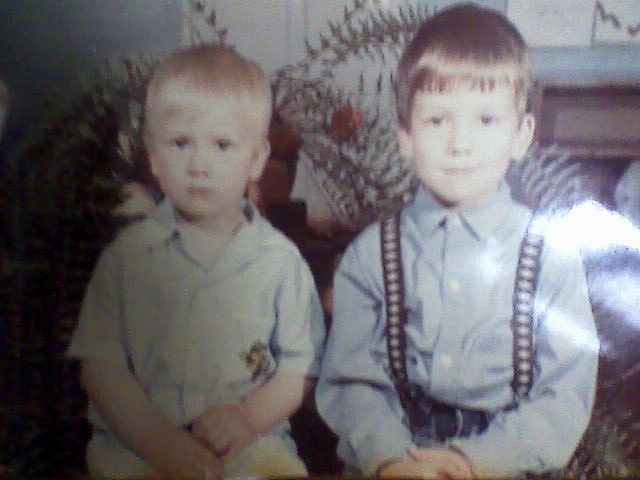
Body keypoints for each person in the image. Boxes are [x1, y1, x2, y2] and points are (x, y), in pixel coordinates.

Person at [316, 3, 599, 479]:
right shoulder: (370, 256)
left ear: (521, 135)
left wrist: (477, 461)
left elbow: (563, 396)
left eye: (485, 120)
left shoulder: (551, 257)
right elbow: (350, 382)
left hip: (507, 463)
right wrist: (388, 458)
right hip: (396, 460)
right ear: (406, 136)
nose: (460, 144)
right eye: (437, 120)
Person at [67, 44, 325, 479]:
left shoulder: (281, 264)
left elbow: (300, 371)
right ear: (154, 157)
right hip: (140, 449)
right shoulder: (126, 259)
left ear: (256, 159)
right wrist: (161, 444)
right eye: (181, 143)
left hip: (249, 446)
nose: (199, 165)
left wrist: (246, 419)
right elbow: (100, 368)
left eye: (222, 145)